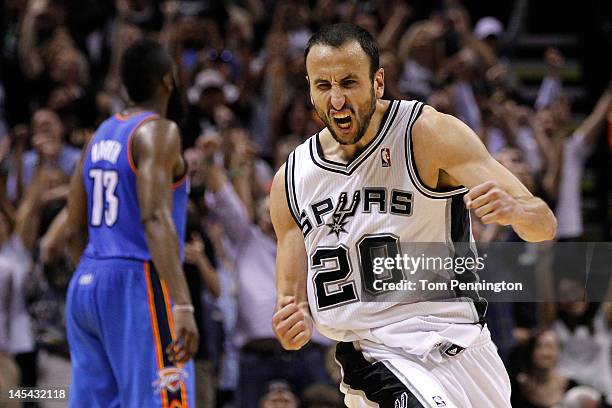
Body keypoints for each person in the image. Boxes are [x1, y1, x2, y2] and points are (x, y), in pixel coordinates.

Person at [271, 23, 556, 408]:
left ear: (378, 81)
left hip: (463, 346)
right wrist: (293, 321)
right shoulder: (290, 180)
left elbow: (544, 224)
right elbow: (292, 305)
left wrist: (515, 210)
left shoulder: (425, 134)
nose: (336, 100)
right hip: (376, 354)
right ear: (309, 86)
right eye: (323, 86)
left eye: (349, 83)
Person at [64, 39, 198, 407]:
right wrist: (183, 304)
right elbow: (154, 216)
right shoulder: (159, 131)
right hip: (137, 279)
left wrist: (98, 276)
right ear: (168, 78)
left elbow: (72, 226)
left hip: (87, 281)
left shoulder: (99, 135)